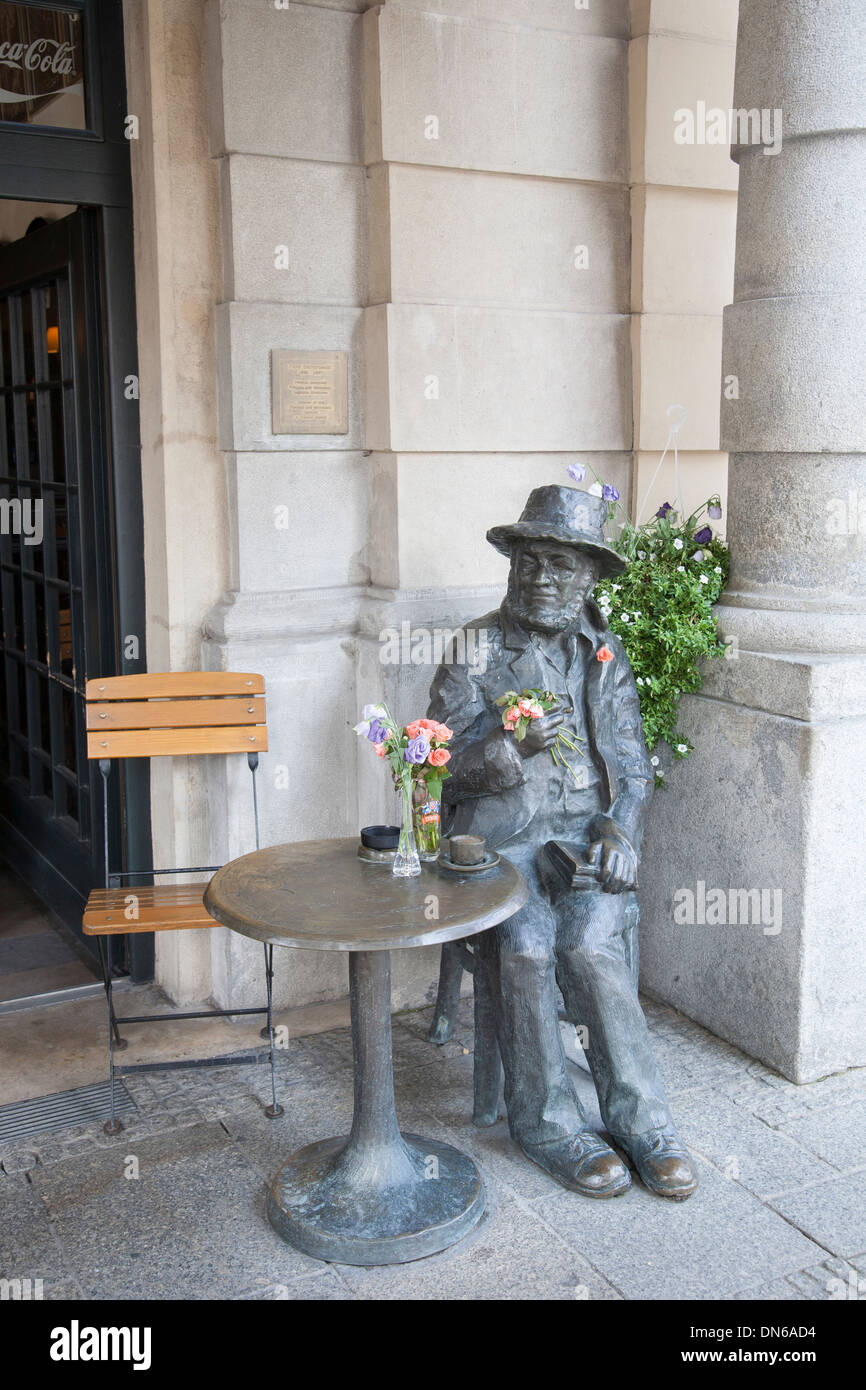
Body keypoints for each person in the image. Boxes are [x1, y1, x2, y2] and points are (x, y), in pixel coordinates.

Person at [428, 484, 698, 1200]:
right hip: (501, 846)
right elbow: (434, 765)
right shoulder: (476, 648)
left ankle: (645, 1124)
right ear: (512, 566)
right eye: (529, 561)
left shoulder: (603, 654)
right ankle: (546, 1125)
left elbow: (633, 768)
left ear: (588, 577)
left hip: (580, 842)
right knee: (525, 949)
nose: (541, 577)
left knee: (592, 946)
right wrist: (504, 748)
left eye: (559, 564)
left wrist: (618, 827)